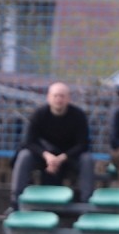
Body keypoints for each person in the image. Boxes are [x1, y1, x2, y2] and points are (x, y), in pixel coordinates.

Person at [9, 82, 95, 211]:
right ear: (49, 97)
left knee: (87, 159)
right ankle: (15, 202)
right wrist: (47, 156)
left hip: (69, 157)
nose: (58, 99)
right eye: (55, 96)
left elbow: (83, 144)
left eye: (62, 96)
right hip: (43, 156)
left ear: (68, 98)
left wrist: (61, 158)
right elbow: (29, 142)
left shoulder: (78, 116)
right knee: (24, 156)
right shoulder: (39, 114)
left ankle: (87, 204)